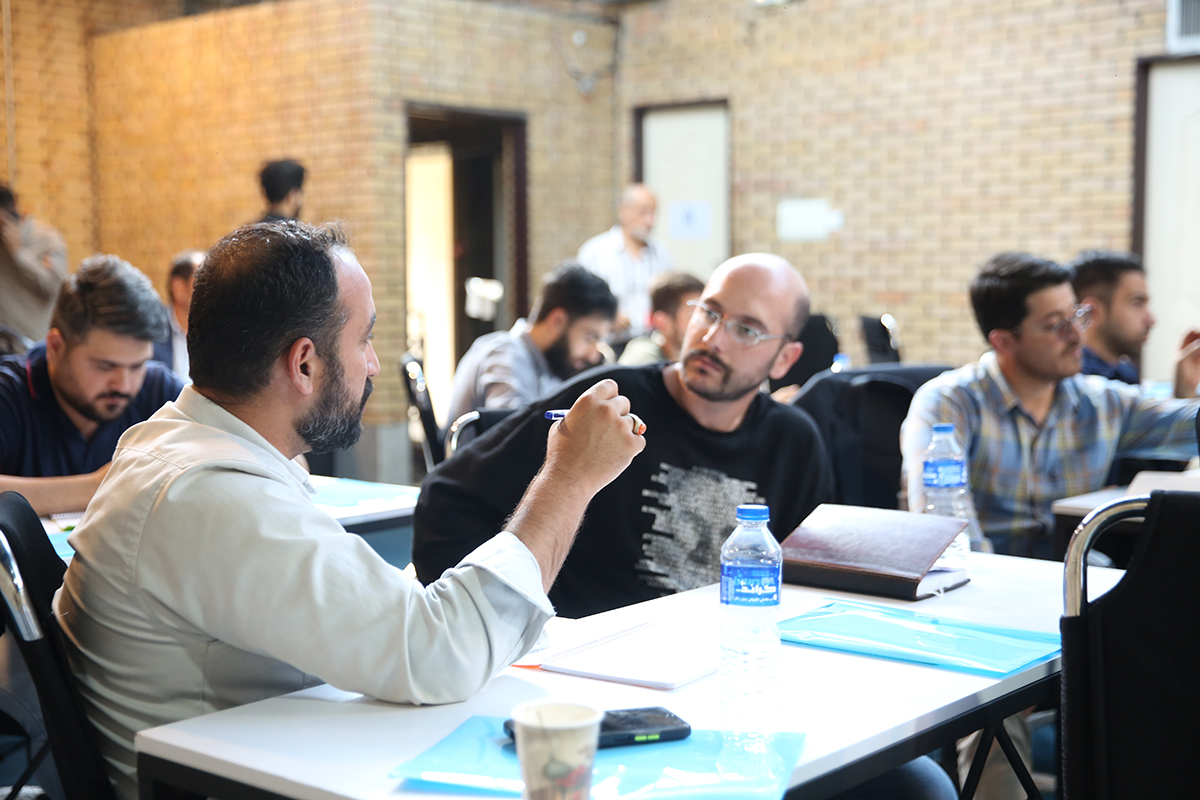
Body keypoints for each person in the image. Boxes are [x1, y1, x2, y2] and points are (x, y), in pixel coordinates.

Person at [54, 221, 645, 799]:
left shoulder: (178, 444)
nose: (374, 365)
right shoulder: (211, 495)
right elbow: (440, 655)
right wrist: (570, 478)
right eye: (364, 339)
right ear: (304, 363)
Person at [416, 252, 833, 620]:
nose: (712, 339)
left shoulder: (794, 444)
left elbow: (815, 588)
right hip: (583, 664)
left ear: (785, 359)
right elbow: (447, 499)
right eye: (709, 312)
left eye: (745, 329)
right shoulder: (607, 405)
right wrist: (505, 627)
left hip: (724, 659)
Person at [901, 251, 1200, 560]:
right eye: (1057, 325)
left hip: (1071, 576)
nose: (1078, 337)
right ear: (1004, 342)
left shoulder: (1100, 403)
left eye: (1077, 316)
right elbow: (944, 527)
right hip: (986, 577)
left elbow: (1187, 424)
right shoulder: (949, 403)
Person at [0, 254, 184, 516]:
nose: (124, 385)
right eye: (105, 366)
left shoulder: (160, 391)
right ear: (56, 347)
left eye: (137, 366)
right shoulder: (9, 392)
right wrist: (99, 487)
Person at [444, 262, 617, 425]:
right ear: (558, 320)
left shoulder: (547, 366)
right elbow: (513, 437)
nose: (594, 356)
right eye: (590, 337)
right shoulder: (505, 355)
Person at [1069, 248, 1200, 397]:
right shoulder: (1075, 382)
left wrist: (1185, 388)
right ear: (1093, 312)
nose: (1151, 320)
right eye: (1137, 303)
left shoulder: (1124, 372)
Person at [577, 184, 673, 339]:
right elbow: (580, 300)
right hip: (609, 342)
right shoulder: (595, 252)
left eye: (654, 213)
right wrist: (608, 315)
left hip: (650, 341)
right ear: (623, 211)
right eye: (643, 212)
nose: (650, 221)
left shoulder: (662, 255)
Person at [0, 184, 68, 343]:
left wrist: (19, 254)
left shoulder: (47, 239)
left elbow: (53, 287)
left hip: (35, 347)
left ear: (10, 209)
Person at [618, 270, 704, 366]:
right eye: (694, 315)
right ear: (662, 322)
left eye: (707, 314)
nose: (705, 325)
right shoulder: (645, 359)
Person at [151, 249, 202, 380]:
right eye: (202, 282)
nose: (210, 291)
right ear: (178, 288)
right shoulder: (151, 332)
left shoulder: (217, 332)